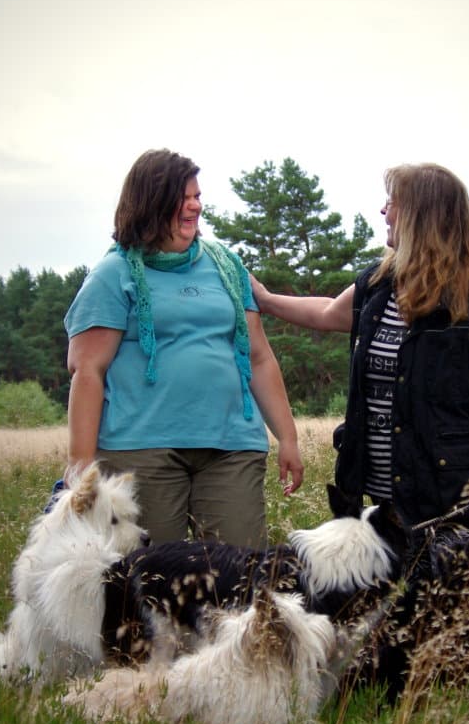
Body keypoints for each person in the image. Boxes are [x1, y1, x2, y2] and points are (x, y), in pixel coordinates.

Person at [250, 162, 469, 526]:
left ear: (420, 215)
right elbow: (327, 313)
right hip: (386, 494)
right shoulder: (380, 285)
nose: (384, 211)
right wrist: (265, 300)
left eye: (392, 202)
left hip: (459, 491)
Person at [63, 148, 303, 547]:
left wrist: (288, 438)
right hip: (141, 451)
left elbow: (258, 357)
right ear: (152, 203)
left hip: (231, 444)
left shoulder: (227, 266)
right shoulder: (113, 274)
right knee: (150, 580)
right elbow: (87, 371)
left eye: (197, 196)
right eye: (184, 197)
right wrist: (81, 471)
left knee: (240, 577)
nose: (195, 206)